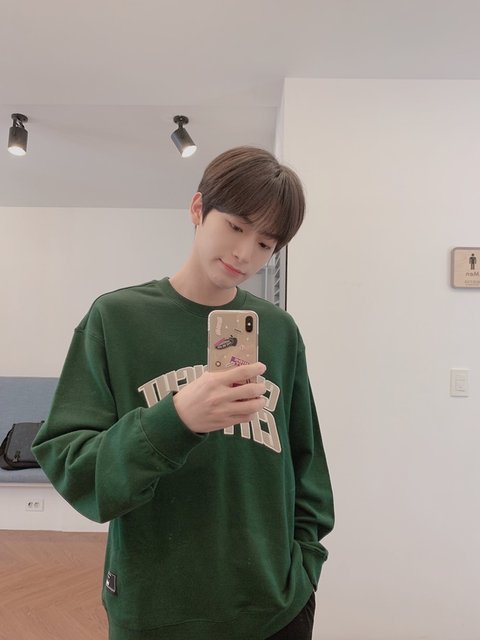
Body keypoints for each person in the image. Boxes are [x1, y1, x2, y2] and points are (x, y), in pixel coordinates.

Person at [32, 146, 334, 640]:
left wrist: (304, 567)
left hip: (275, 610)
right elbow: (73, 467)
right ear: (198, 209)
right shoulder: (116, 319)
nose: (245, 254)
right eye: (235, 226)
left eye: (266, 243)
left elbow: (308, 464)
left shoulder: (279, 332)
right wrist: (175, 420)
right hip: (154, 611)